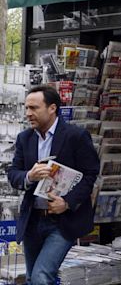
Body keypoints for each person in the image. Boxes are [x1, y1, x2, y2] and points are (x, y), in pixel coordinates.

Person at [7, 85, 99, 285]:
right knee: (32, 277)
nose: (28, 113)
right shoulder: (25, 138)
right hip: (33, 219)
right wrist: (29, 175)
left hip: (62, 221)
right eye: (26, 108)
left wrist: (66, 202)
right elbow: (13, 174)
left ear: (52, 108)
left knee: (42, 276)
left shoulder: (76, 136)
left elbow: (90, 174)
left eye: (34, 108)